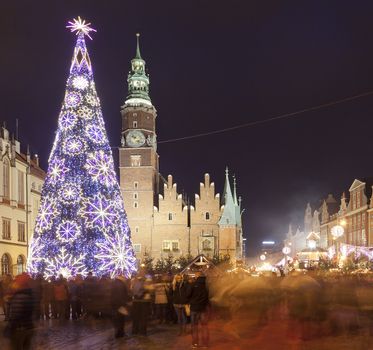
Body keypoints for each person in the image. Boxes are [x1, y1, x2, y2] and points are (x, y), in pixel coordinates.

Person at [7, 273, 34, 350]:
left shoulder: (19, 297)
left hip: (20, 328)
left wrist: (11, 327)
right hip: (28, 326)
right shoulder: (29, 294)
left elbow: (16, 314)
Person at [187, 272, 210, 349]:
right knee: (204, 326)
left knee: (194, 327)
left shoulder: (193, 285)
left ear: (197, 276)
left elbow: (187, 295)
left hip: (194, 308)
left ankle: (195, 344)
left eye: (195, 275)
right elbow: (209, 296)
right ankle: (205, 344)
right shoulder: (207, 285)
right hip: (203, 308)